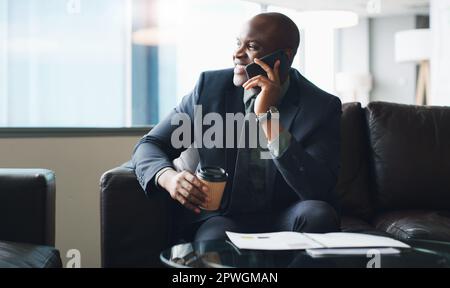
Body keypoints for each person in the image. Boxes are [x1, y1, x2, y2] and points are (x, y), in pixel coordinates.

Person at [132, 12, 342, 243]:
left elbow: (316, 189)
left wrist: (266, 117)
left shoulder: (320, 106)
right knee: (212, 241)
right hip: (223, 216)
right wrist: (168, 177)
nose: (237, 54)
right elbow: (150, 145)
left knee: (319, 215)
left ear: (283, 56)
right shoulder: (209, 89)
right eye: (237, 43)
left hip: (285, 214)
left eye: (252, 46)